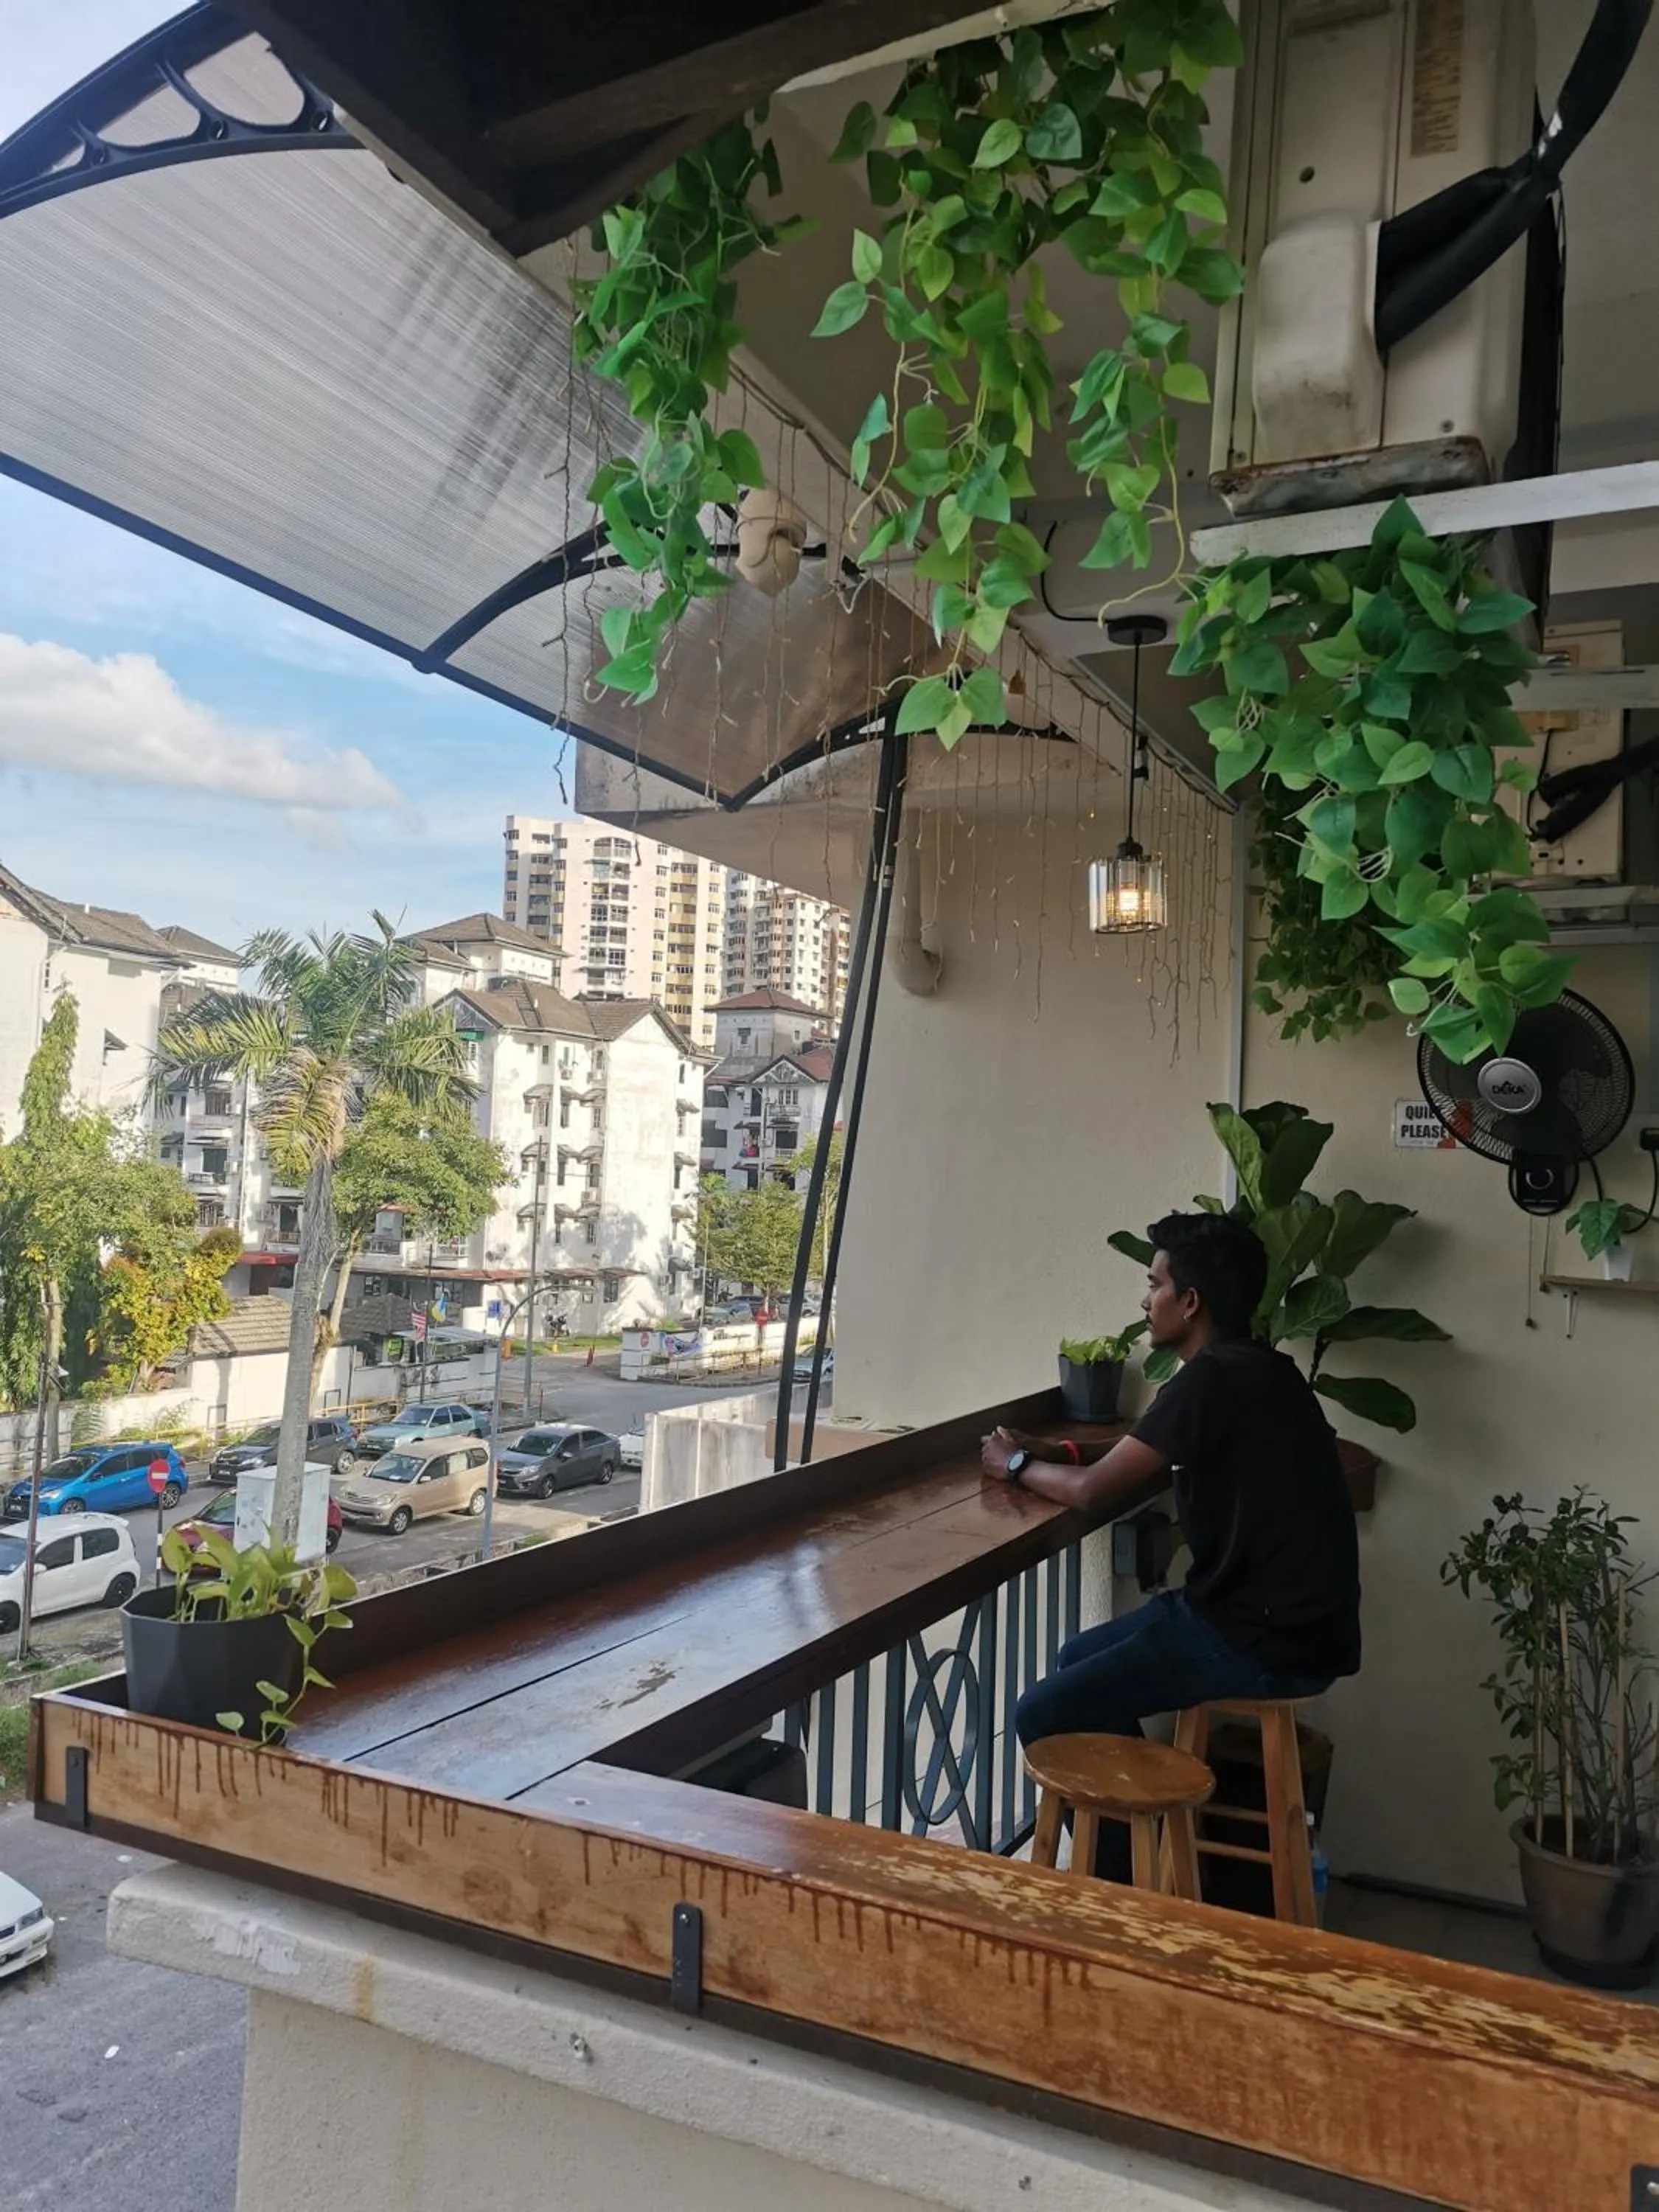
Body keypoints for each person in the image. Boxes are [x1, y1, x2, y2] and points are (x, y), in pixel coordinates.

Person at [981, 1212, 1360, 1867]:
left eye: (1154, 1283)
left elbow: (1096, 1490)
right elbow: (1136, 1450)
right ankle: (1140, 1856)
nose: (1145, 1299)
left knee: (1042, 1711)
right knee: (1077, 1660)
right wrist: (1050, 1448)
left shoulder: (1211, 1380)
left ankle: (1125, 1895)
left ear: (1191, 1302)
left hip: (1261, 1636)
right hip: (1286, 1619)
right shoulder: (1261, 1369)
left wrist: (1012, 1467)